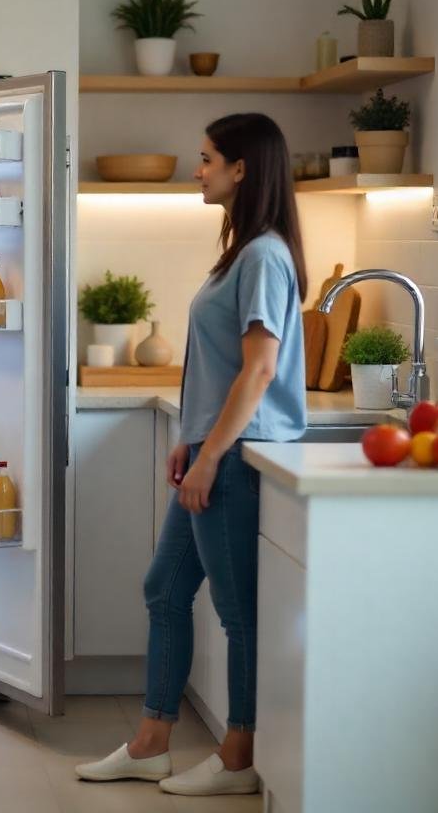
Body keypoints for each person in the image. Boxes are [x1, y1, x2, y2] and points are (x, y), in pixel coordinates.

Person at [76, 112, 307, 796]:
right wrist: (190, 439)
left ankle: (240, 758)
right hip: (213, 447)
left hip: (235, 456)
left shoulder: (263, 253)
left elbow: (259, 370)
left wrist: (210, 457)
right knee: (165, 589)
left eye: (207, 159)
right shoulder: (244, 252)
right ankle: (151, 743)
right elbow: (222, 365)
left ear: (242, 169)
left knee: (238, 616)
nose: (198, 169)